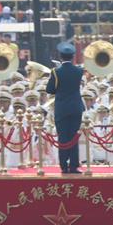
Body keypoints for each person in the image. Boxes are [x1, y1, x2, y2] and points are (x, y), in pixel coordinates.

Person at [45, 42, 85, 174]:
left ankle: (64, 166)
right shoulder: (79, 71)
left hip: (62, 108)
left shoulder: (56, 72)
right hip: (75, 107)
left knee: (63, 137)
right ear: (73, 57)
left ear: (60, 57)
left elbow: (50, 89)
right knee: (74, 136)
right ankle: (74, 165)